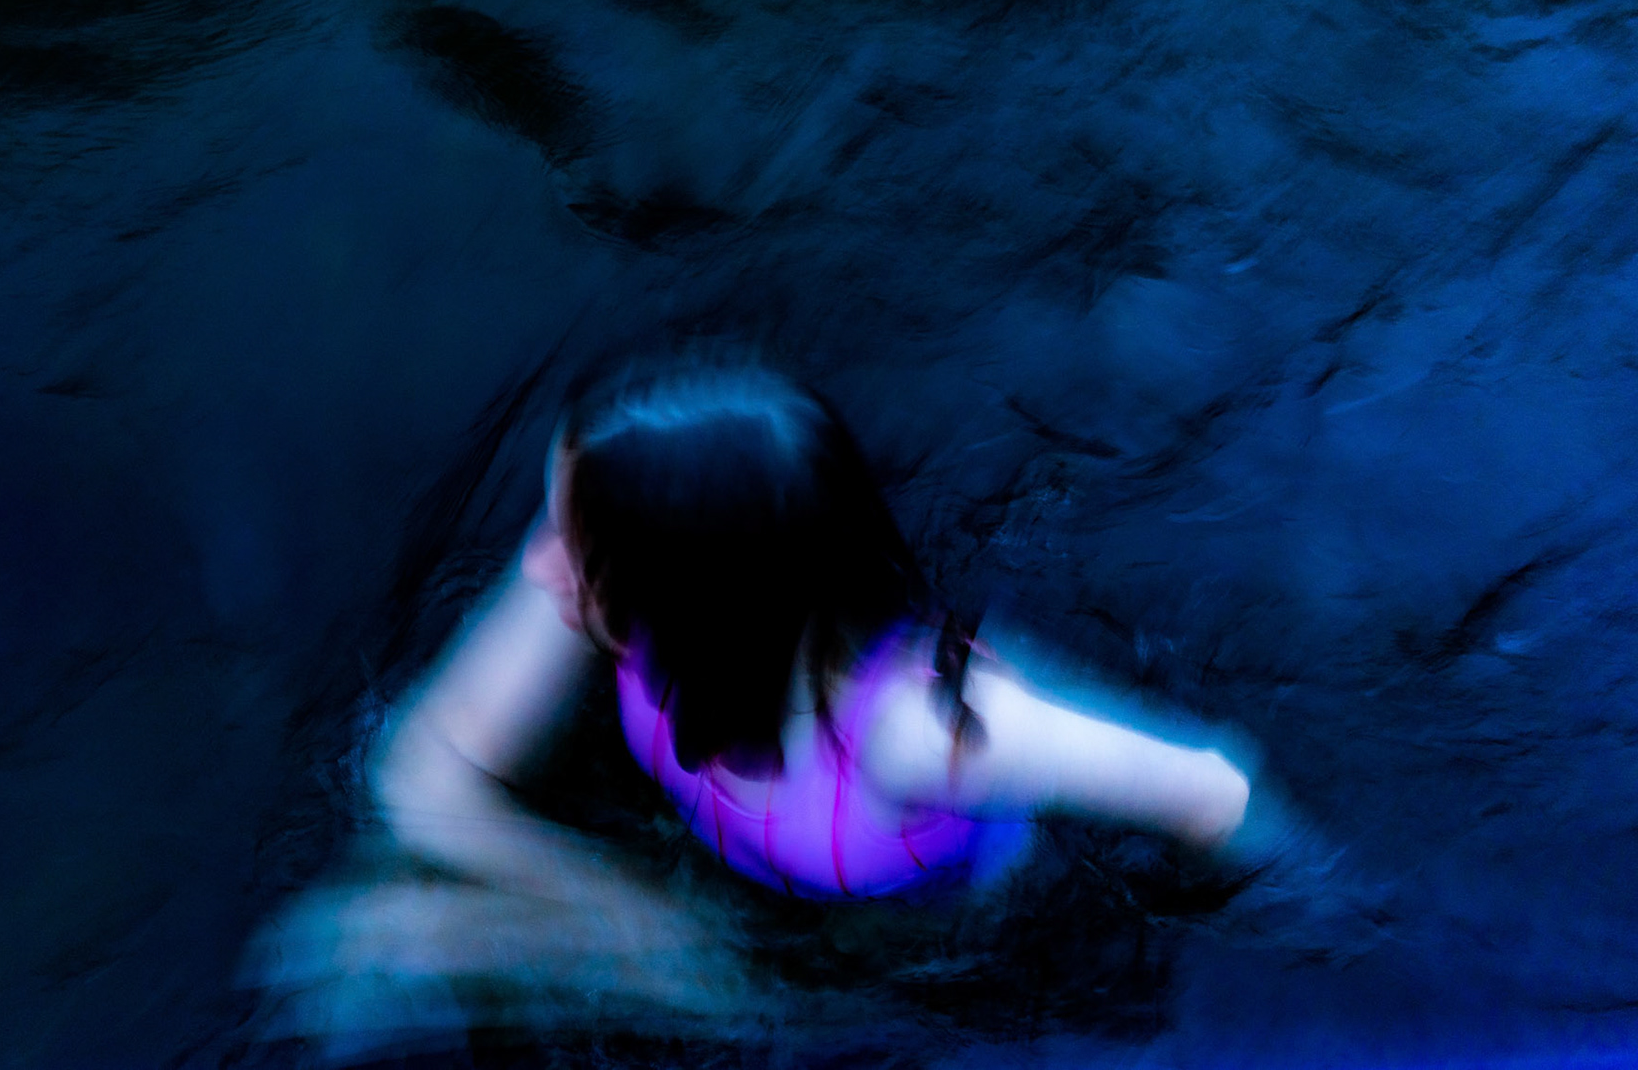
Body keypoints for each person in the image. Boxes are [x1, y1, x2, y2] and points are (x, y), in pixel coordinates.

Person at [369, 361, 1252, 953]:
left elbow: (1213, 792)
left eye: (572, 543)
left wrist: (1281, 938)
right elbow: (421, 777)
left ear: (680, 587)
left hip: (928, 930)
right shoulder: (622, 533)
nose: (536, 566)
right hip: (763, 883)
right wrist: (623, 913)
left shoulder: (919, 732)